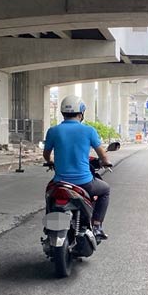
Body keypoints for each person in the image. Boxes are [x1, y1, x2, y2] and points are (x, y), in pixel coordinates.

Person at [43, 95, 113, 240]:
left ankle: (49, 224)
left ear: (63, 113)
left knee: (49, 195)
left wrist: (50, 162)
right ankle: (97, 225)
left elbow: (46, 154)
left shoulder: (53, 131)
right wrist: (106, 162)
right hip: (84, 183)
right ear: (81, 113)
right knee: (105, 189)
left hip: (60, 182)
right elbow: (102, 154)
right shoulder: (89, 131)